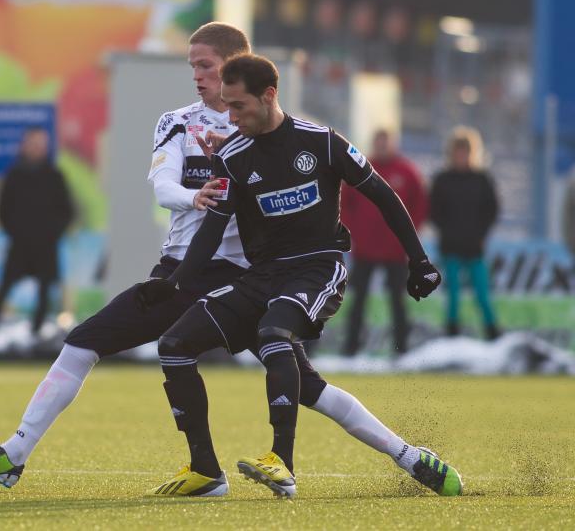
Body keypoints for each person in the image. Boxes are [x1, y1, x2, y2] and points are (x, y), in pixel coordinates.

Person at [137, 53, 462, 499]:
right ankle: (207, 472)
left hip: (318, 268)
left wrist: (419, 261)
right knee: (175, 345)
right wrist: (172, 283)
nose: (231, 116)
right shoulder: (231, 157)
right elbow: (210, 233)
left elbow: (384, 196)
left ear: (269, 95)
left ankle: (283, 464)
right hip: (262, 277)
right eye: (227, 106)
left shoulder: (322, 142)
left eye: (239, 106)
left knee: (274, 333)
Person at [0, 21, 252, 487]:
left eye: (206, 65)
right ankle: (14, 452)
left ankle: (386, 454)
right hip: (177, 274)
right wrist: (193, 197)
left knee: (297, 376)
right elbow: (163, 187)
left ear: (235, 66)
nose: (196, 75)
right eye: (192, 65)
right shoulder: (177, 121)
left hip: (241, 277)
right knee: (82, 342)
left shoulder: (263, 130)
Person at [341, 129, 428, 356]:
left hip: (395, 250)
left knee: (398, 301)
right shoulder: (360, 168)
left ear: (393, 144)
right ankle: (350, 348)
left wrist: (408, 236)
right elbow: (343, 203)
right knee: (358, 300)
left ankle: (401, 349)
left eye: (385, 142)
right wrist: (353, 233)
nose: (381, 147)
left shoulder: (407, 172)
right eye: (378, 142)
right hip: (364, 249)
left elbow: (419, 205)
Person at [0, 127, 74, 335]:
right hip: (20, 244)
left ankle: (37, 331)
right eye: (32, 143)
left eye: (40, 144)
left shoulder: (54, 176)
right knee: (5, 285)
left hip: (46, 245)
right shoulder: (14, 175)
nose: (36, 148)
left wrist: (52, 233)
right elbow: (3, 210)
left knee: (45, 289)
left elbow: (67, 211)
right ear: (24, 145)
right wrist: (16, 231)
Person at [429, 127, 500, 339]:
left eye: (465, 152)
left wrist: (481, 234)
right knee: (453, 294)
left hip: (475, 246)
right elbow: (434, 211)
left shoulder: (482, 179)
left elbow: (491, 210)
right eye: (457, 152)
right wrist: (447, 231)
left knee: (482, 293)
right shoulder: (442, 180)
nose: (461, 156)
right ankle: (452, 332)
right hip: (450, 247)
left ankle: (492, 332)